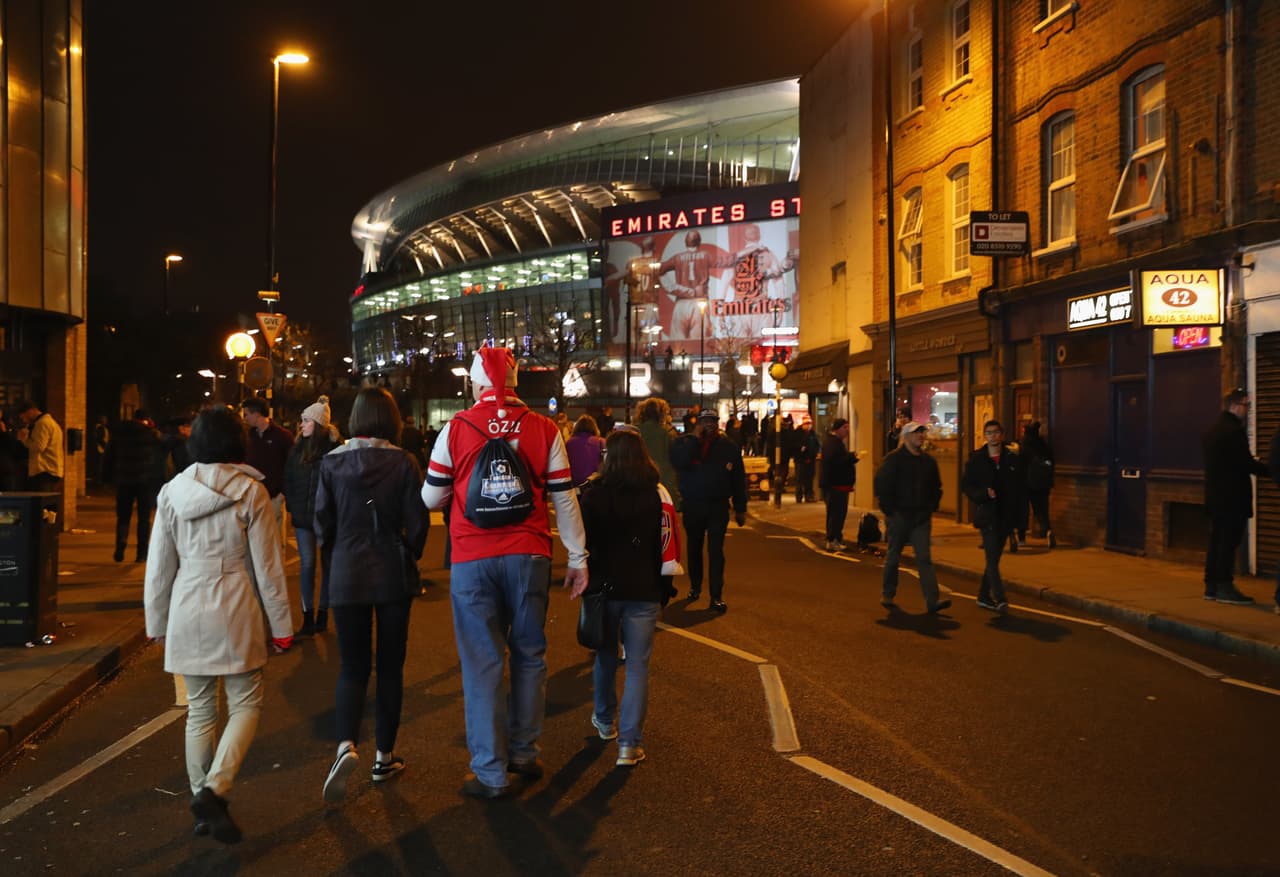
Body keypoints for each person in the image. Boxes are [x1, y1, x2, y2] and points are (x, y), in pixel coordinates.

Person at [421, 347, 588, 799]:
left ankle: (490, 773)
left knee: (483, 663)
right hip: (529, 555)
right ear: (515, 384)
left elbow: (430, 498)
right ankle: (524, 753)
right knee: (530, 655)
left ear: (477, 384)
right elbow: (564, 497)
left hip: (472, 558)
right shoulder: (544, 428)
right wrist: (577, 557)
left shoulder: (456, 428)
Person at [143, 407, 294, 845]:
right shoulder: (250, 492)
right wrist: (281, 623)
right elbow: (268, 568)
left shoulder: (172, 492)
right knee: (245, 703)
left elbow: (159, 566)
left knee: (200, 711)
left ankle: (202, 805)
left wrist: (156, 620)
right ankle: (215, 789)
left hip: (187, 602)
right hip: (236, 602)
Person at [316, 387, 429, 803]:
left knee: (352, 666)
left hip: (347, 572)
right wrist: (408, 550)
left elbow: (322, 521)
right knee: (390, 667)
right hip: (392, 572)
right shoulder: (403, 462)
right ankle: (384, 756)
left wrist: (335, 559)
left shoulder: (332, 462)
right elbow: (418, 521)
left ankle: (346, 744)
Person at [580, 429, 677, 768]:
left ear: (608, 457)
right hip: (644, 588)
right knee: (637, 666)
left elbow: (582, 544)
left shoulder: (593, 495)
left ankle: (605, 720)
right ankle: (629, 744)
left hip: (604, 589)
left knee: (605, 656)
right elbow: (666, 545)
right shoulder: (656, 494)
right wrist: (665, 589)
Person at [670, 410, 747, 613]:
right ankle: (695, 587)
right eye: (704, 421)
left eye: (712, 421)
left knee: (716, 551)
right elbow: (679, 462)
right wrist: (695, 440)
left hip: (717, 504)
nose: (709, 425)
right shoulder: (685, 443)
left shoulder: (728, 447)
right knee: (694, 548)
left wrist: (740, 507)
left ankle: (716, 595)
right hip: (693, 504)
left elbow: (738, 478)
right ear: (698, 423)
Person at [873, 421, 950, 613]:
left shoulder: (928, 462)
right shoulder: (893, 460)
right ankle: (888, 594)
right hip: (899, 516)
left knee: (924, 558)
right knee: (893, 556)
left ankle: (932, 601)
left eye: (922, 432)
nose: (920, 436)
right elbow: (881, 486)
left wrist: (931, 507)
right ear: (905, 437)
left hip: (921, 518)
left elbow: (936, 487)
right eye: (916, 433)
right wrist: (890, 511)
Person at [1202, 388, 1267, 604]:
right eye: (1246, 405)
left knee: (1216, 542)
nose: (1247, 410)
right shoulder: (1233, 432)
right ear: (1235, 406)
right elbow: (1245, 463)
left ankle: (1211, 586)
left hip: (1215, 497)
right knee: (1228, 544)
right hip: (1232, 499)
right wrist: (1270, 469)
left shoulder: (1212, 430)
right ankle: (1224, 586)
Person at [283, 396, 341, 637]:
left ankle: (323, 614)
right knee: (307, 564)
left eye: (306, 420)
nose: (301, 424)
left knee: (327, 567)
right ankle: (308, 616)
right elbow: (289, 479)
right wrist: (293, 507)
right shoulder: (297, 449)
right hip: (303, 518)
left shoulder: (335, 451)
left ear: (318, 424)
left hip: (327, 519)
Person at [961, 420, 1025, 613]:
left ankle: (983, 596)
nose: (993, 436)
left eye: (996, 432)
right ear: (985, 436)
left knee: (994, 559)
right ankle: (1000, 598)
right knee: (991, 557)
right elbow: (967, 486)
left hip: (1006, 515)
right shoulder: (977, 459)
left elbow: (1020, 488)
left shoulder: (1012, 458)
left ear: (1001, 435)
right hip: (987, 515)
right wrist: (982, 494)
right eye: (989, 433)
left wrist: (1019, 519)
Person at [104, 409, 163, 563]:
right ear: (146, 419)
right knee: (144, 518)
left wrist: (106, 478)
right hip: (145, 481)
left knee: (123, 516)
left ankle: (121, 543)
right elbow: (159, 458)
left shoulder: (119, 433)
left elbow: (108, 456)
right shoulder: (151, 435)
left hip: (124, 480)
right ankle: (141, 553)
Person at [241, 397, 294, 558]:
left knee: (275, 541)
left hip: (274, 496)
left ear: (257, 414)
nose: (245, 418)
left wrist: (283, 493)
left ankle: (278, 571)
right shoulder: (248, 437)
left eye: (247, 414)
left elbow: (292, 466)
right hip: (252, 497)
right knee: (254, 541)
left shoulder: (282, 437)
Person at [636, 397, 680, 510]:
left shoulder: (635, 432)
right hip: (665, 485)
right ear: (662, 414)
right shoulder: (668, 433)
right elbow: (677, 458)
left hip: (639, 484)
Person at [819, 418, 856, 550]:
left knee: (837, 513)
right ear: (837, 429)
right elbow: (835, 462)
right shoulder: (833, 443)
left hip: (837, 485)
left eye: (848, 427)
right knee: (836, 514)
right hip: (835, 485)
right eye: (845, 427)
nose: (847, 430)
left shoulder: (835, 443)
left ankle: (835, 539)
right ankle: (832, 539)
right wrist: (851, 457)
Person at [15, 399, 63, 493]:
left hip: (44, 470)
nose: (24, 420)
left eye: (23, 417)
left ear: (30, 411)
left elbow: (38, 447)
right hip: (50, 470)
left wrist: (23, 439)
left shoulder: (42, 423)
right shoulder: (50, 422)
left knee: (40, 500)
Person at [1020, 421, 1056, 547]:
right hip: (1044, 484)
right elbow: (1051, 462)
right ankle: (1047, 530)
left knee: (1024, 511)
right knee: (1043, 510)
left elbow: (1021, 464)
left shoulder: (1025, 445)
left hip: (1028, 483)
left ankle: (1021, 538)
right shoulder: (1043, 445)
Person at [566, 415, 605, 487]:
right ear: (594, 427)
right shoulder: (601, 442)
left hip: (574, 484)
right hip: (594, 484)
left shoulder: (569, 443)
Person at [794, 417, 820, 503]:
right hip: (800, 460)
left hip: (811, 460)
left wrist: (815, 454)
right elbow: (794, 446)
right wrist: (801, 449)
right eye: (807, 424)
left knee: (809, 479)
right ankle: (799, 496)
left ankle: (809, 496)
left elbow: (816, 445)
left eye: (809, 424)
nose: (808, 426)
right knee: (800, 479)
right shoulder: (798, 433)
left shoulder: (812, 434)